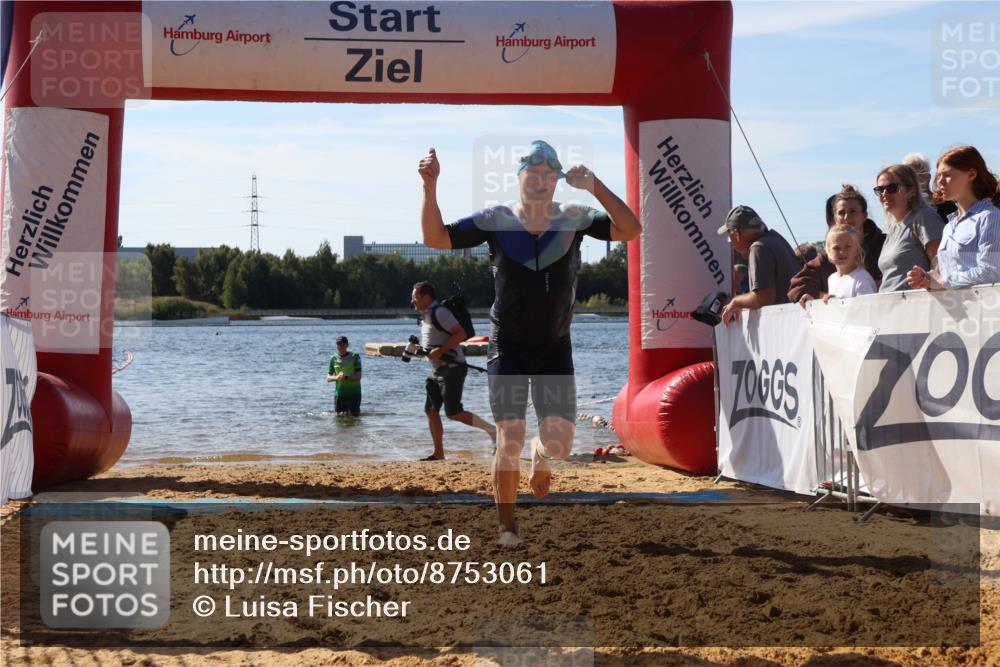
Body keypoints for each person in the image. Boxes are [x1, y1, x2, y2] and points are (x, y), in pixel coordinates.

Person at [418, 140, 640, 546]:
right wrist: (430, 187)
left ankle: (541, 458)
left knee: (558, 445)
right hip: (509, 346)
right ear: (518, 176)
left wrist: (595, 186)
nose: (540, 180)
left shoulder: (574, 219)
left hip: (555, 345)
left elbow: (631, 229)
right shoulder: (496, 220)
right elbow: (435, 237)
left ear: (557, 181)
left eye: (548, 174)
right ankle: (507, 528)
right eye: (532, 173)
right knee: (509, 436)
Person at [411, 281, 496, 461]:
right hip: (436, 371)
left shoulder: (440, 312)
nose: (412, 301)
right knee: (431, 410)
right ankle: (439, 454)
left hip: (452, 369)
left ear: (427, 297)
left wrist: (440, 350)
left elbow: (461, 334)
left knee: (454, 413)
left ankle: (492, 430)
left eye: (415, 297)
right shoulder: (425, 315)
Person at [907, 145, 1000, 290]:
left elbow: (993, 272)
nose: (940, 182)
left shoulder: (990, 217)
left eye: (947, 175)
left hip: (983, 311)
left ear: (971, 175)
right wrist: (927, 277)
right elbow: (947, 275)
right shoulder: (949, 226)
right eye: (938, 176)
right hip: (955, 310)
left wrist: (943, 281)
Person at [789, 184, 886, 304]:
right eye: (841, 213)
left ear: (864, 215)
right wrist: (828, 298)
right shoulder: (828, 256)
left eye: (852, 211)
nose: (847, 217)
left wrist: (883, 284)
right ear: (834, 218)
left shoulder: (884, 244)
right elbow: (797, 287)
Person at [717, 205, 799, 326]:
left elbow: (764, 297)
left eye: (731, 239)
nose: (733, 245)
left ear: (737, 234)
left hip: (781, 328)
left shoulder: (758, 247)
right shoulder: (777, 240)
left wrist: (735, 302)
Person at [874, 163, 944, 292]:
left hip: (915, 307)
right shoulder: (893, 228)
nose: (884, 194)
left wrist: (927, 280)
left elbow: (942, 267)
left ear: (912, 190)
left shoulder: (924, 217)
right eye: (879, 190)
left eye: (891, 188)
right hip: (889, 308)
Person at [800, 224, 876, 305]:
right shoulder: (832, 279)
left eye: (848, 247)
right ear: (828, 252)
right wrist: (813, 304)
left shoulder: (862, 278)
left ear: (857, 250)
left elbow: (866, 312)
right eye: (836, 248)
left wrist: (837, 304)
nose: (842, 252)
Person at [903, 151, 957, 221]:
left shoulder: (944, 203)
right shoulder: (902, 206)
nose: (911, 180)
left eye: (917, 175)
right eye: (907, 176)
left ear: (928, 177)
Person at [326, 335, 362, 416]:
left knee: (355, 418)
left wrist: (346, 377)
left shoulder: (355, 356)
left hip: (354, 393)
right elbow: (328, 378)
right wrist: (336, 377)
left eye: (342, 344)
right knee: (339, 418)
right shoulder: (333, 358)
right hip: (340, 394)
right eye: (338, 344)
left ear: (347, 345)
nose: (340, 346)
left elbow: (359, 375)